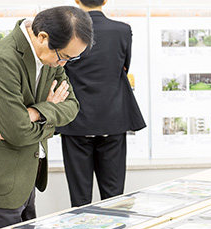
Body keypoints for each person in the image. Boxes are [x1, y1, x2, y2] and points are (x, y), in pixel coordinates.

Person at [0, 6, 90, 229]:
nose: (64, 64)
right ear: (43, 37)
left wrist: (36, 113)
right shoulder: (3, 60)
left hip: (26, 178)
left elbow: (72, 107)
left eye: (71, 59)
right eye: (63, 57)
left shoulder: (51, 59)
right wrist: (50, 109)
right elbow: (17, 132)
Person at [57, 0, 146, 208]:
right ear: (105, 1)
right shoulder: (122, 30)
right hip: (113, 118)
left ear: (77, 1)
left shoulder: (65, 31)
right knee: (115, 199)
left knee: (80, 201)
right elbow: (124, 67)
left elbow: (60, 68)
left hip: (76, 120)